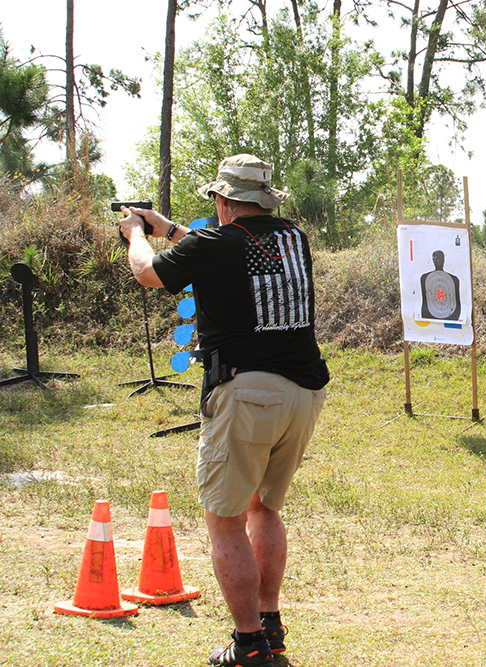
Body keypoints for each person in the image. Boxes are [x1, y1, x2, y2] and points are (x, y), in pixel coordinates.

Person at [119, 154, 329, 667]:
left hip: (246, 392)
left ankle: (249, 644)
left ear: (225, 201)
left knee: (225, 521)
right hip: (303, 391)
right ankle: (270, 625)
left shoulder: (217, 242)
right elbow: (217, 247)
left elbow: (148, 273)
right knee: (265, 509)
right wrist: (168, 228)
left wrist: (134, 234)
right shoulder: (290, 238)